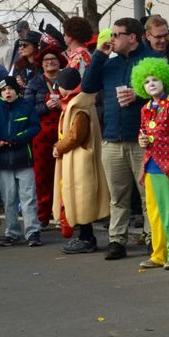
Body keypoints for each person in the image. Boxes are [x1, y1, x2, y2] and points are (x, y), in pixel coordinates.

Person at [81, 17, 155, 259]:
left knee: (148, 195)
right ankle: (117, 240)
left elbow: (168, 91)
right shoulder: (109, 63)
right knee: (118, 196)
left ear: (131, 37)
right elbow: (88, 86)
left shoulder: (150, 61)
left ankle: (152, 237)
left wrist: (139, 95)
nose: (111, 39)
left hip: (143, 139)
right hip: (112, 138)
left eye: (116, 35)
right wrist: (99, 55)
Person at [131, 57, 169, 270]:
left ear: (165, 80)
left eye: (155, 79)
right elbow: (144, 133)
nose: (151, 84)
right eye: (146, 81)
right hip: (150, 167)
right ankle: (159, 253)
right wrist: (141, 140)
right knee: (154, 214)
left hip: (167, 168)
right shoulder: (145, 108)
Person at [54, 67, 109, 253]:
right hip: (76, 158)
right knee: (77, 197)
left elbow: (76, 136)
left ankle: (86, 237)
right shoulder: (81, 102)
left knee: (81, 199)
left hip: (79, 160)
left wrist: (59, 147)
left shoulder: (78, 106)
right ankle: (84, 235)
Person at [0, 75, 43, 247]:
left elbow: (35, 127)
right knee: (9, 199)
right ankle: (11, 232)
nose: (7, 92)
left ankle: (32, 232)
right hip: (3, 160)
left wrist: (18, 138)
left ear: (16, 90)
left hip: (23, 158)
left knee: (28, 197)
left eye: (10, 88)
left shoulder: (26, 106)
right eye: (3, 90)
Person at [25, 48, 65, 228]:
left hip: (64, 132)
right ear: (41, 64)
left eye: (53, 59)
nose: (50, 62)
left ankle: (64, 214)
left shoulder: (67, 80)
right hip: (41, 135)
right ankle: (43, 215)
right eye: (46, 60)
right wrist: (46, 106)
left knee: (64, 174)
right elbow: (27, 110)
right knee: (42, 176)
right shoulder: (34, 83)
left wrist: (62, 104)